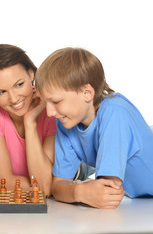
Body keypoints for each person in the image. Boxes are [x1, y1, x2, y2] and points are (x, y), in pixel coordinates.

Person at [35, 47, 153, 209]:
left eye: (56, 102)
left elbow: (106, 191)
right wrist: (79, 192)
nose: (49, 112)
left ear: (87, 93)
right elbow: (57, 186)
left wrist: (76, 190)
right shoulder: (66, 123)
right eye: (46, 103)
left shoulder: (114, 112)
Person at [0, 44, 56, 195]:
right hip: (9, 203)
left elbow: (44, 188)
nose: (13, 99)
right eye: (0, 92)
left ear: (31, 74)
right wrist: (44, 184)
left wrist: (30, 123)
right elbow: (2, 183)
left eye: (19, 85)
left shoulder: (50, 105)